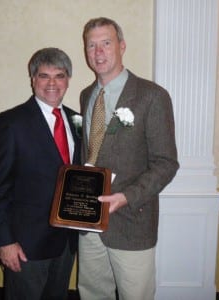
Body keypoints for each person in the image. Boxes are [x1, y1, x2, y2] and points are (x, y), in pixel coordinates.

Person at [78, 17, 179, 300]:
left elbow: (166, 163)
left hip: (132, 221)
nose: (98, 52)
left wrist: (125, 197)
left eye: (106, 43)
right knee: (93, 294)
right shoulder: (87, 96)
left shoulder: (152, 96)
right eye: (91, 46)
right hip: (89, 224)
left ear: (121, 46)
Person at [0, 47, 81, 300]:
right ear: (33, 79)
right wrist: (3, 242)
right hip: (24, 246)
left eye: (59, 76)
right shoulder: (11, 122)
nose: (52, 83)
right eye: (44, 75)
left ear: (67, 80)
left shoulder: (77, 121)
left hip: (66, 243)